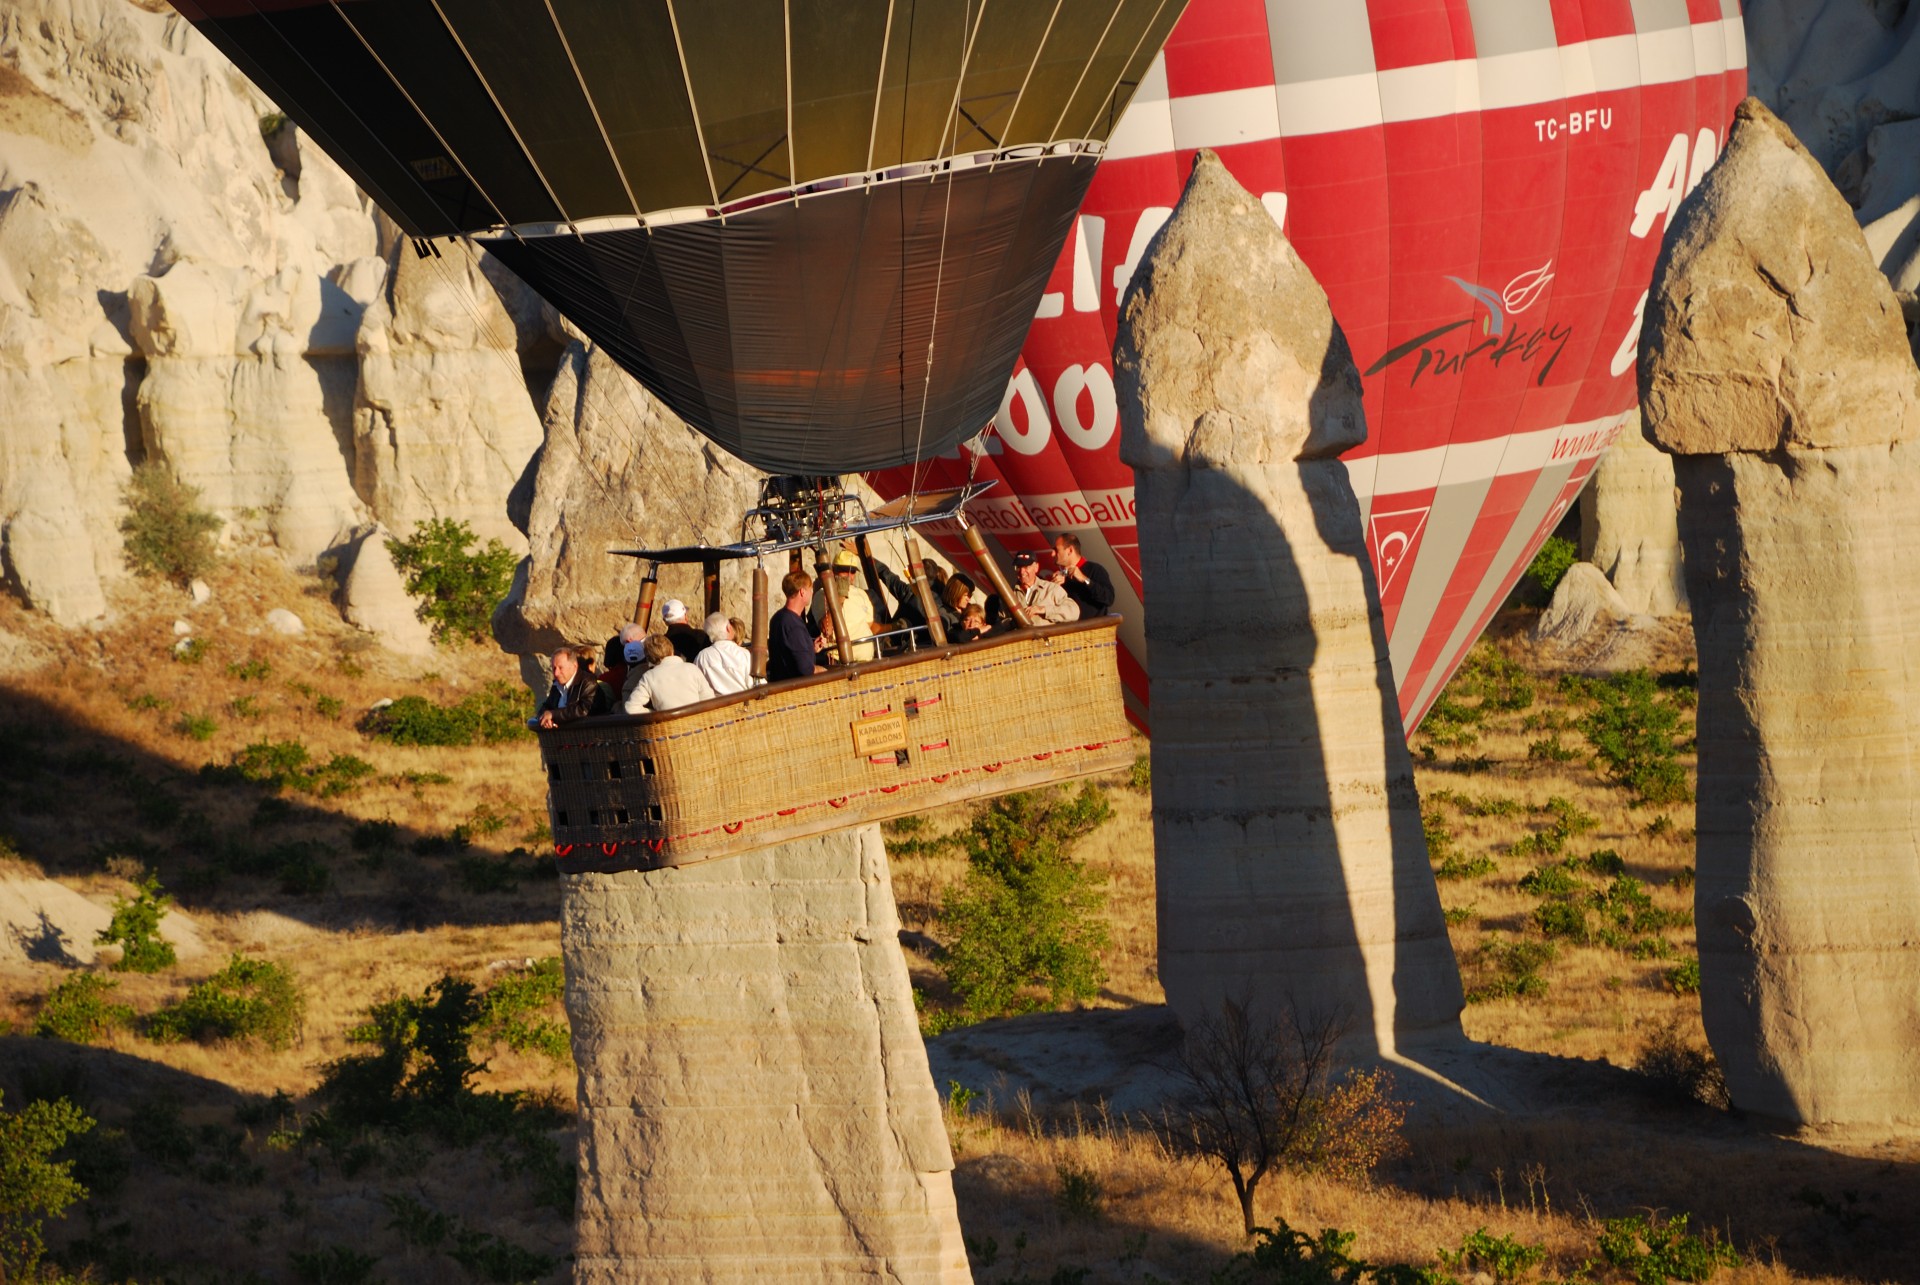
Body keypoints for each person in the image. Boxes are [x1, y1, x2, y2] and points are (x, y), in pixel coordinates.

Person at [623, 633, 715, 713]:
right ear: (672, 650)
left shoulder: (649, 677)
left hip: (667, 730)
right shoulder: (692, 668)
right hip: (697, 727)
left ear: (649, 658)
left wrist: (655, 714)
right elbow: (709, 700)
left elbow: (631, 707)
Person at [820, 549, 879, 663]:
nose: (848, 575)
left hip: (866, 660)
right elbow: (826, 630)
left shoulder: (861, 594)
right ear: (834, 570)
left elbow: (869, 624)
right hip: (840, 661)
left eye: (852, 571)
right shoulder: (823, 594)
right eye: (844, 570)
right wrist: (840, 598)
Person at [532, 645, 608, 729]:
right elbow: (545, 707)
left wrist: (553, 714)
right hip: (562, 738)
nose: (556, 673)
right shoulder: (556, 686)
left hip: (587, 737)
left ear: (574, 666)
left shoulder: (588, 682)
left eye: (560, 668)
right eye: (554, 668)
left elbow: (584, 709)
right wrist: (545, 718)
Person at [1049, 533, 1115, 618]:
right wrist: (1054, 588)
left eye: (1056, 550)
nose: (1052, 554)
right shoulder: (1061, 577)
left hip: (1094, 629)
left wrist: (1085, 579)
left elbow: (1109, 598)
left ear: (1070, 550)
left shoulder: (1095, 569)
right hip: (1070, 629)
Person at [767, 570, 817, 682]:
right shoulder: (792, 624)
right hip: (795, 689)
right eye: (810, 588)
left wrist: (811, 648)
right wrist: (822, 671)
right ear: (802, 592)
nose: (812, 592)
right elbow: (805, 669)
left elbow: (789, 654)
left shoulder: (778, 618)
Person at [696, 611, 757, 695]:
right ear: (728, 628)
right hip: (742, 704)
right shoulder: (743, 654)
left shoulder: (702, 657)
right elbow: (755, 684)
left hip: (715, 706)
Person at [1011, 549, 1079, 624]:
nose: (1022, 572)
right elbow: (1001, 622)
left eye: (1026, 567)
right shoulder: (1009, 594)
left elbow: (1074, 612)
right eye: (1018, 567)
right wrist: (1014, 622)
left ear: (1036, 567)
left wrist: (1043, 610)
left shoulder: (1051, 589)